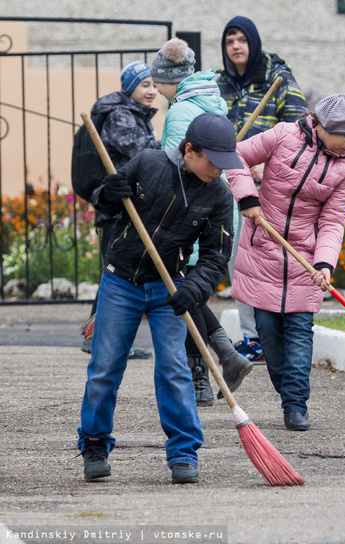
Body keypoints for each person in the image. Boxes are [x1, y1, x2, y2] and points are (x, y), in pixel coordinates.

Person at [77, 112, 240, 484]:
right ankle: (95, 443)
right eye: (213, 161)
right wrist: (109, 194)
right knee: (104, 368)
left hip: (169, 288)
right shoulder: (149, 163)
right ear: (190, 150)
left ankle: (183, 452)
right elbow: (105, 204)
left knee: (175, 370)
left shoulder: (218, 195)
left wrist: (193, 290)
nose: (218, 170)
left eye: (224, 163)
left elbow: (216, 255)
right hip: (120, 282)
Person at [225, 94, 345, 432]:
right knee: (270, 340)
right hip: (264, 247)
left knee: (300, 335)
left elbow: (334, 221)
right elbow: (236, 155)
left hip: (305, 259)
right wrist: (247, 197)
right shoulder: (283, 135)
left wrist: (325, 264)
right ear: (321, 125)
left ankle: (295, 404)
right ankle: (286, 392)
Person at [150, 37, 253, 407]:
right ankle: (220, 361)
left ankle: (208, 372)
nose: (154, 88)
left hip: (189, 213)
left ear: (168, 80)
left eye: (155, 81)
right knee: (189, 290)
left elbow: (176, 168)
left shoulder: (180, 111)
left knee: (183, 290)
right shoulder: (210, 100)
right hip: (214, 210)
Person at [216, 15, 310, 362]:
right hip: (227, 179)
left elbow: (300, 132)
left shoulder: (279, 79)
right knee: (235, 260)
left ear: (253, 43)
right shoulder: (218, 83)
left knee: (264, 258)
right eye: (229, 41)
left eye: (241, 39)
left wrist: (268, 163)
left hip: (267, 185)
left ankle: (270, 334)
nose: (235, 46)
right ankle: (254, 338)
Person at [80, 60, 161, 360]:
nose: (151, 90)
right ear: (129, 88)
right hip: (115, 205)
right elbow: (145, 151)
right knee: (115, 273)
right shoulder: (121, 115)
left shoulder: (135, 113)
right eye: (144, 85)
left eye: (154, 84)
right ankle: (97, 338)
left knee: (113, 272)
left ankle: (98, 337)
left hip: (125, 205)